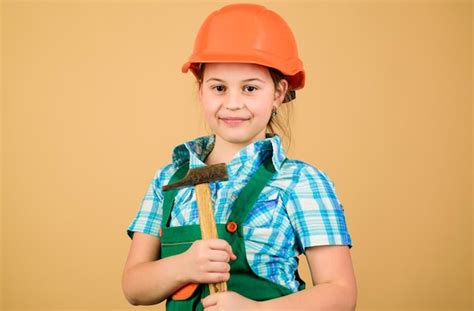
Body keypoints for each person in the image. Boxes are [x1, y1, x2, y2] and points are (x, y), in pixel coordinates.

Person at [122, 3, 357, 310]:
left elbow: (340, 293)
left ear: (278, 93)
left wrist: (257, 310)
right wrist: (182, 266)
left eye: (249, 88)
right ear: (201, 90)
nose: (233, 103)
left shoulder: (301, 182)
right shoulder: (169, 181)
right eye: (219, 87)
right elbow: (134, 288)